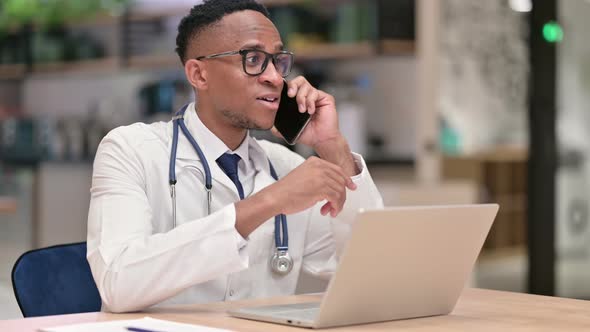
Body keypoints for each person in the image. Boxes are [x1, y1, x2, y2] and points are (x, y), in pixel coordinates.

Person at [87, 0, 383, 313]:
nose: (274, 77)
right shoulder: (130, 150)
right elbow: (117, 284)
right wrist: (270, 201)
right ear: (199, 74)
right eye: (253, 59)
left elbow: (374, 272)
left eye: (277, 61)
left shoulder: (285, 166)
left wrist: (331, 145)